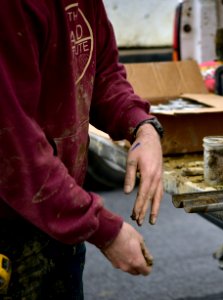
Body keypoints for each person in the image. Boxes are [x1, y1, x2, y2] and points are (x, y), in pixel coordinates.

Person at [0, 0, 164, 298]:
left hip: (58, 211)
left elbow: (103, 74)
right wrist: (103, 229)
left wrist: (143, 127)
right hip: (9, 224)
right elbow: (15, 149)